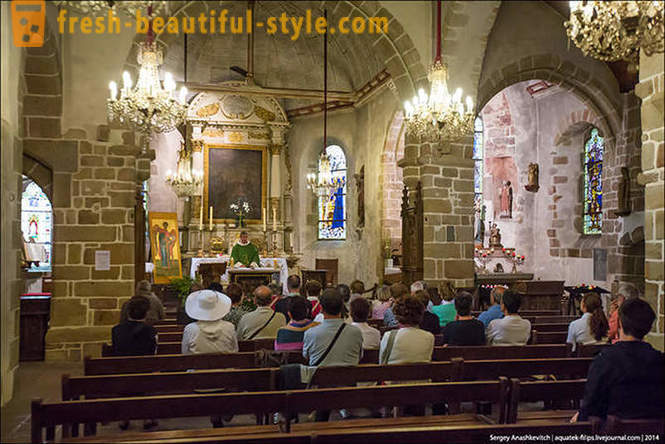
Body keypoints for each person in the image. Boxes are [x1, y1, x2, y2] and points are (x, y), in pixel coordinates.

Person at [571, 298, 664, 423]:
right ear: (648, 326)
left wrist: (580, 417)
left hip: (614, 434)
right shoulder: (659, 360)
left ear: (620, 323)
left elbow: (591, 404)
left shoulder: (605, 360)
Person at [303, 288, 364, 422]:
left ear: (321, 308)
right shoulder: (355, 332)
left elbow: (307, 357)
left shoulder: (311, 333)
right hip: (348, 384)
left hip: (321, 387)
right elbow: (359, 356)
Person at [111, 296, 159, 431]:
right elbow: (153, 352)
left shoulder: (116, 330)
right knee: (148, 375)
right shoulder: (150, 331)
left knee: (127, 376)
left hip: (123, 371)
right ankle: (147, 417)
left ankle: (124, 418)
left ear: (128, 312)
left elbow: (116, 350)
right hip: (145, 372)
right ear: (146, 313)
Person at [380, 296, 434, 364]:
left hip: (392, 373)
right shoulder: (429, 337)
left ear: (397, 315)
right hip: (421, 374)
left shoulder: (388, 336)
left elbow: (382, 361)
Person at [181, 289, 237, 354]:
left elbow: (185, 353)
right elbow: (235, 350)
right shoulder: (229, 328)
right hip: (226, 364)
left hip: (197, 364)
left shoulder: (190, 329)